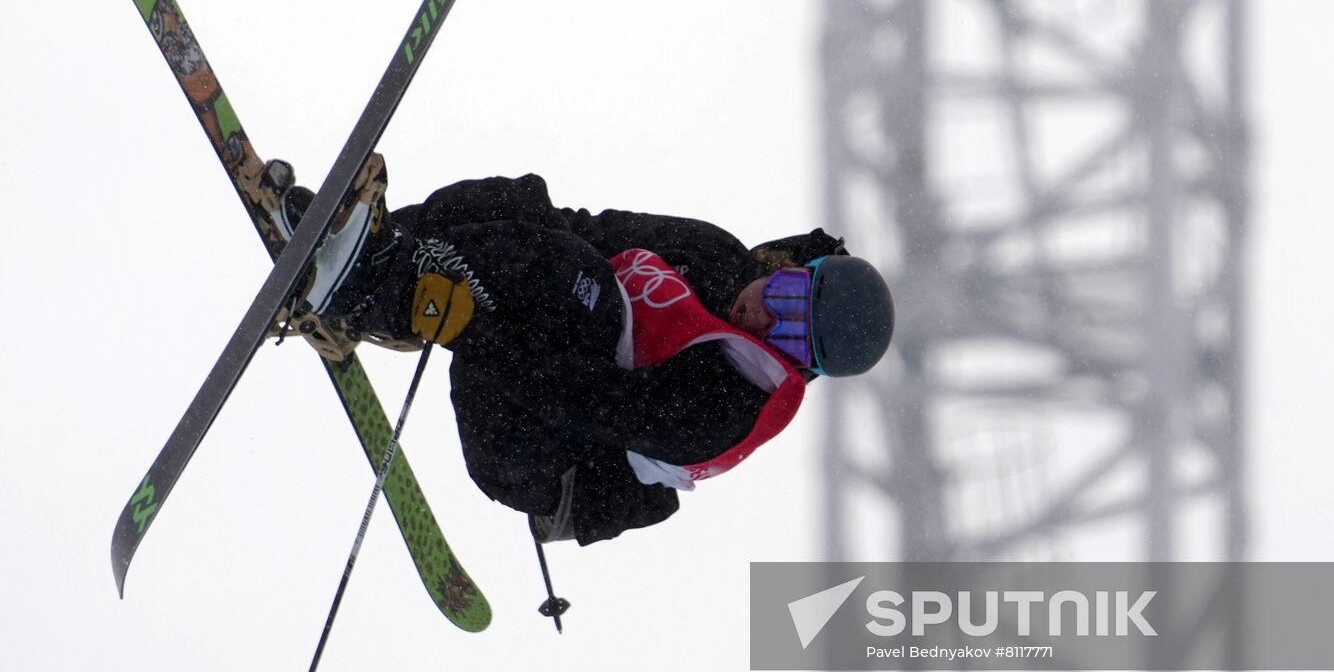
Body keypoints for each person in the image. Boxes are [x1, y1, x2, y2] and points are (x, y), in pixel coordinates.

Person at [275, 162, 895, 546]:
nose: (761, 315)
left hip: (542, 457)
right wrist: (463, 239)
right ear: (792, 267)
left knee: (577, 284)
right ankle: (372, 258)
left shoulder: (728, 407)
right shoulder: (715, 253)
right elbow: (589, 227)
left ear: (798, 367)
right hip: (544, 348)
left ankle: (372, 287)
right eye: (785, 294)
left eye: (785, 334)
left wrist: (463, 324)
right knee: (518, 207)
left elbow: (584, 402)